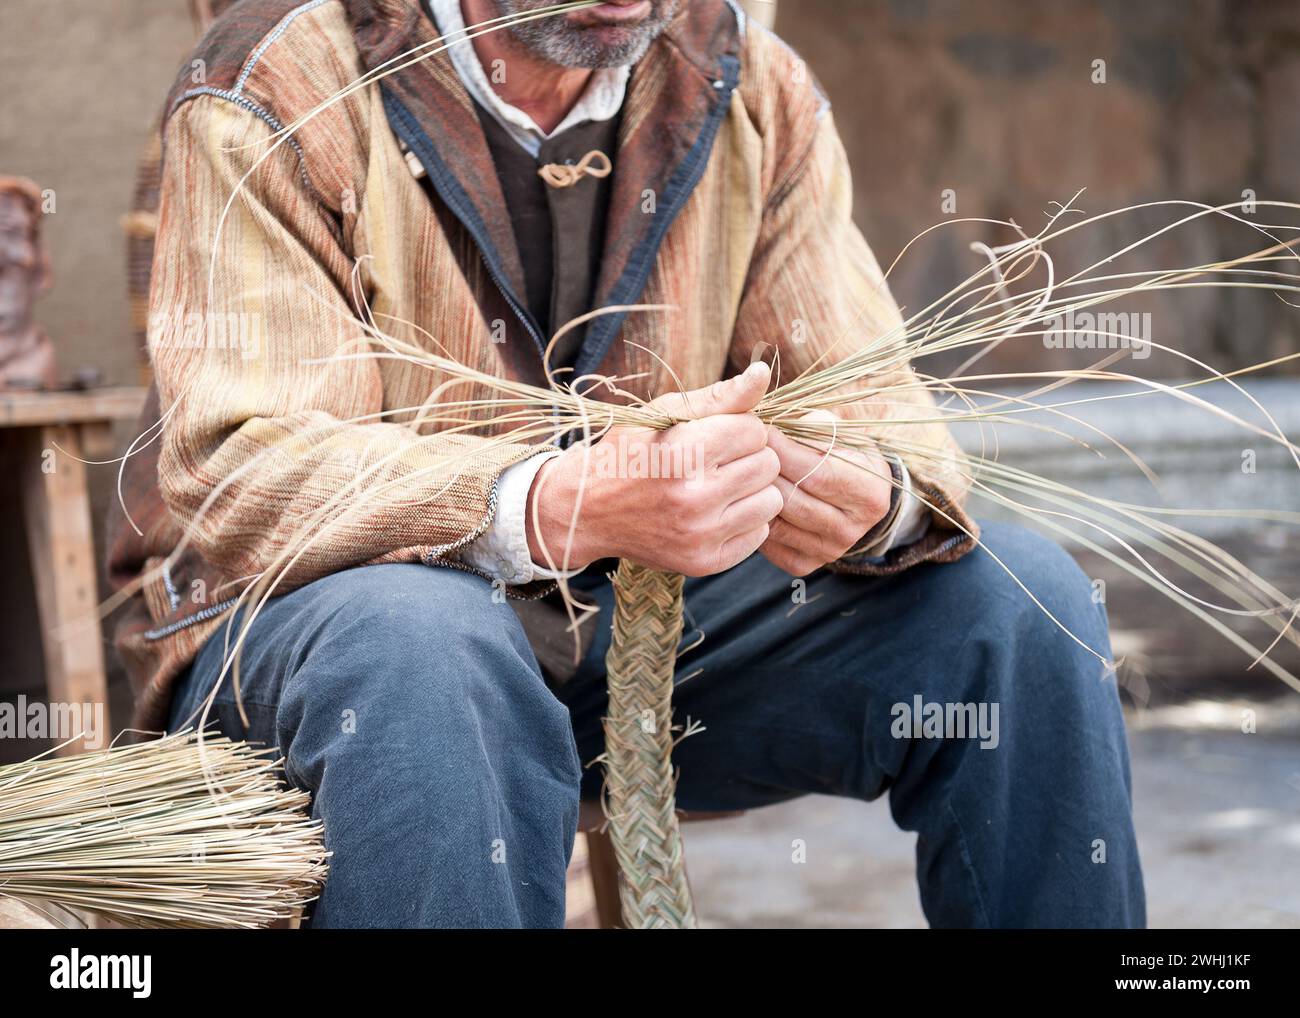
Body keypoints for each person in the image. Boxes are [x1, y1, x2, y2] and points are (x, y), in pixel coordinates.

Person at [108, 0, 1145, 928]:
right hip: (322, 649)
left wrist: (860, 497)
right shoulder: (279, 81)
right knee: (424, 639)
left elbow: (881, 413)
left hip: (643, 651)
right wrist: (550, 506)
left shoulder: (743, 79)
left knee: (1017, 604)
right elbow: (240, 469)